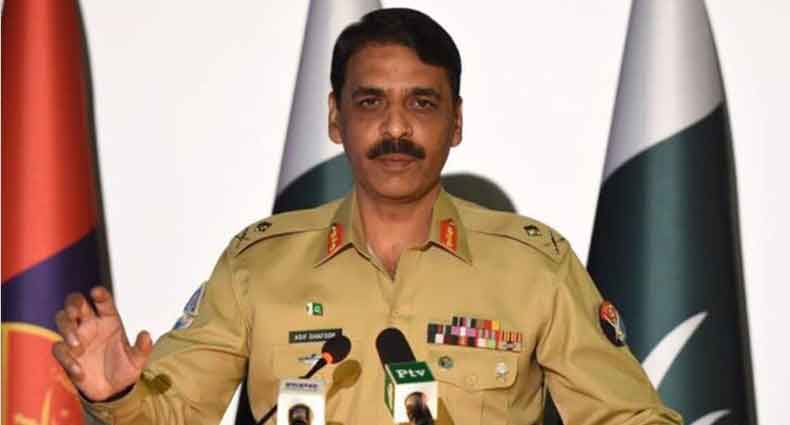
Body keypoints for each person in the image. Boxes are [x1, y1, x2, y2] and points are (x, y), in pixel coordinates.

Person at [52, 8, 683, 425]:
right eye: (371, 102)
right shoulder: (258, 265)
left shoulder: (534, 266)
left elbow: (630, 417)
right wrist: (117, 392)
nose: (397, 127)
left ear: (456, 122)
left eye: (423, 103)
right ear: (336, 118)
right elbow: (174, 412)